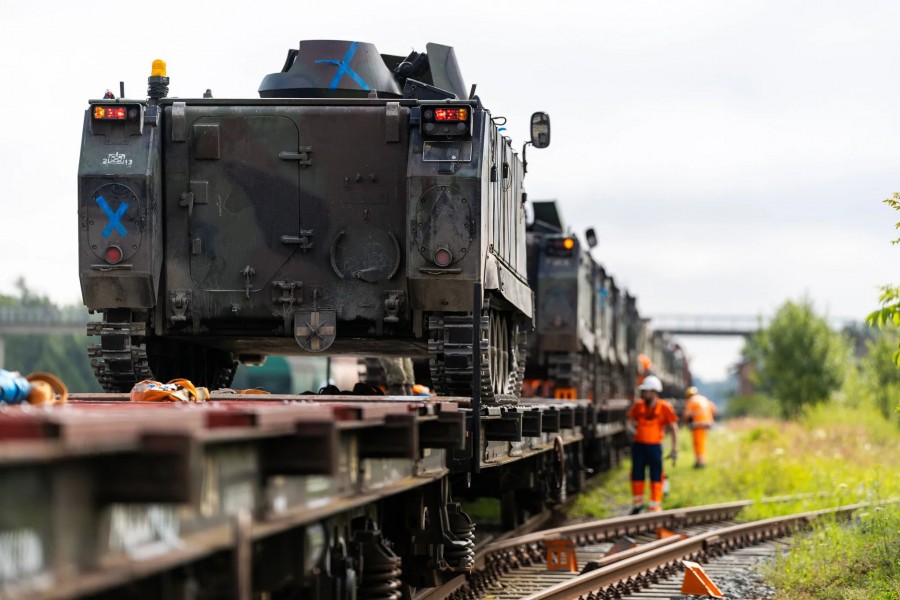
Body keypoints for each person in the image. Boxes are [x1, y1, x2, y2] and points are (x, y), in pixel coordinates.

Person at [627, 375, 678, 514]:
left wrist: (674, 449)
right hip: (639, 447)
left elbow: (674, 428)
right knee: (637, 474)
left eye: (646, 391)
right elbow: (629, 423)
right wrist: (632, 431)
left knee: (656, 476)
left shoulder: (665, 407)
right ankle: (638, 505)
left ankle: (654, 506)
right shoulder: (638, 406)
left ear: (654, 392)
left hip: (655, 447)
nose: (643, 394)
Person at [683, 386, 716, 468]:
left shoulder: (691, 400)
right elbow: (714, 409)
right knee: (702, 442)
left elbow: (687, 414)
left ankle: (700, 462)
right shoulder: (703, 398)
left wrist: (684, 422)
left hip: (698, 424)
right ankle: (700, 461)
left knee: (697, 443)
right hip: (706, 423)